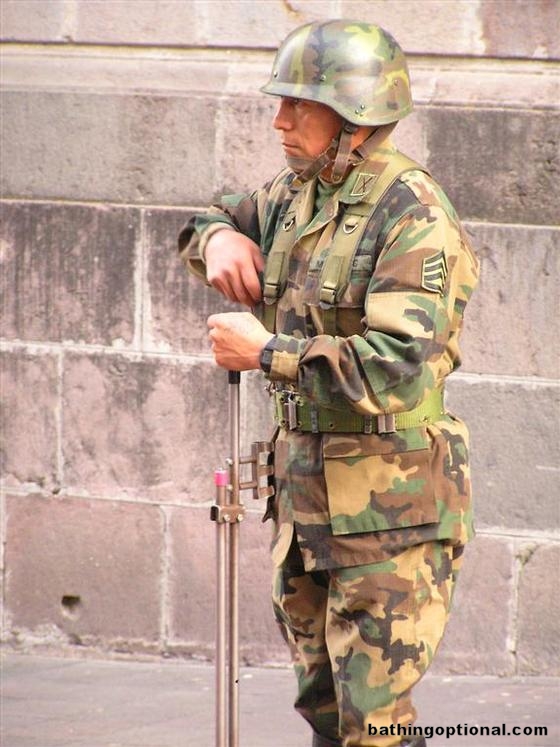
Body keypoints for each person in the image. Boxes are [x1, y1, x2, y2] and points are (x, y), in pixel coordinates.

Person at [178, 19, 479, 747]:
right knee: (324, 707)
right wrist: (218, 238)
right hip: (307, 500)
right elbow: (210, 217)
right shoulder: (298, 194)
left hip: (388, 509)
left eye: (299, 105)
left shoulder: (412, 213)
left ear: (354, 115)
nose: (279, 121)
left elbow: (396, 362)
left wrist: (267, 352)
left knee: (372, 721)